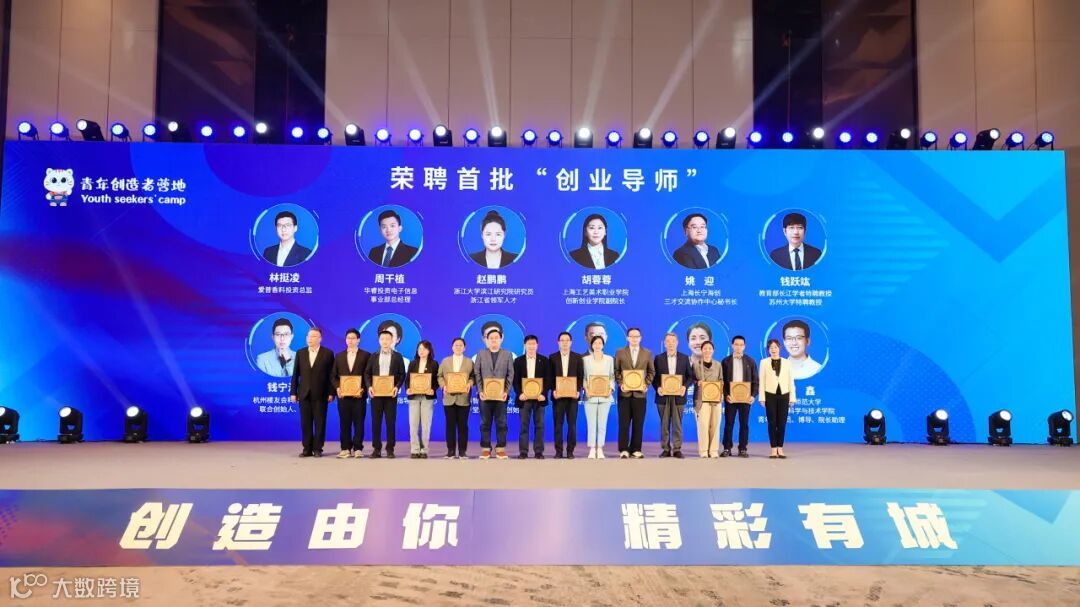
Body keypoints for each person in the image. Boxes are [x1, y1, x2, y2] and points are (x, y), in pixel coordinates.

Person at [289, 327, 334, 457]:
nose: (310, 338)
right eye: (308, 336)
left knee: (320, 422)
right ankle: (307, 448)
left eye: (313, 336)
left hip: (321, 394)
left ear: (320, 339)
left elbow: (331, 375)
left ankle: (318, 448)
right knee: (306, 423)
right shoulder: (301, 353)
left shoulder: (328, 353)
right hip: (304, 393)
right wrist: (293, 392)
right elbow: (295, 374)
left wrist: (331, 393)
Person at [363, 330, 406, 458]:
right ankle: (376, 449)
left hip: (391, 394)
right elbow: (367, 373)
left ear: (392, 340)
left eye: (387, 339)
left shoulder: (398, 356)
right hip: (376, 394)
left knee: (390, 422)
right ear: (379, 340)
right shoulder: (373, 356)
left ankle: (390, 449)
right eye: (382, 339)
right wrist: (369, 386)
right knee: (376, 422)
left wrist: (397, 387)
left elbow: (402, 374)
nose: (385, 341)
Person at [614, 327, 655, 459]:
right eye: (632, 336)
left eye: (637, 336)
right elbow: (616, 370)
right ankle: (623, 449)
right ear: (627, 338)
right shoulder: (620, 352)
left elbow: (651, 371)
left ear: (640, 338)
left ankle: (636, 449)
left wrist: (646, 384)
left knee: (638, 423)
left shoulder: (647, 353)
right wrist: (621, 384)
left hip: (640, 394)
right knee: (624, 423)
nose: (634, 339)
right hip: (624, 394)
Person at [473, 328, 514, 459]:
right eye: (491, 338)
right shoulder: (481, 354)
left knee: (502, 422)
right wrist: (480, 390)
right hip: (484, 395)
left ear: (501, 339)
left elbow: (510, 374)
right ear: (486, 340)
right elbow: (477, 373)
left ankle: (501, 448)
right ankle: (486, 448)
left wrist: (506, 391)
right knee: (485, 422)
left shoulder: (507, 354)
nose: (494, 340)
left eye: (496, 337)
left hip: (501, 396)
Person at [330, 328, 370, 459]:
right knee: (344, 422)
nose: (350, 340)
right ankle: (345, 448)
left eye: (353, 338)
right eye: (348, 338)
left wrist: (363, 388)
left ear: (358, 340)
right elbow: (333, 376)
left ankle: (358, 448)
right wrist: (338, 388)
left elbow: (368, 375)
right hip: (343, 396)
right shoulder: (339, 356)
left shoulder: (366, 355)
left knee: (359, 422)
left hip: (359, 396)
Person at [652, 332, 692, 458]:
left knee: (677, 423)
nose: (670, 344)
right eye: (668, 341)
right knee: (664, 424)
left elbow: (690, 376)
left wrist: (684, 387)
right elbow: (653, 377)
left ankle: (677, 449)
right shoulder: (658, 358)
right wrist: (658, 387)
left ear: (677, 343)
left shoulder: (684, 358)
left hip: (679, 396)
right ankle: (665, 448)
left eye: (673, 341)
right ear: (664, 343)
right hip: (663, 396)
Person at [513, 335, 551, 459]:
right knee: (524, 426)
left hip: (539, 399)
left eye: (533, 344)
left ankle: (538, 451)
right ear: (525, 345)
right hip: (524, 399)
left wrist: (543, 394)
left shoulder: (544, 360)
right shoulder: (518, 361)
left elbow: (548, 379)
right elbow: (515, 380)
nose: (531, 346)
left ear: (537, 345)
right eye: (529, 344)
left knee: (539, 426)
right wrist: (520, 393)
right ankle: (523, 451)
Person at [720, 335, 758, 458]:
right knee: (728, 423)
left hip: (745, 398)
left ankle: (742, 448)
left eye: (741, 345)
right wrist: (726, 395)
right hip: (730, 398)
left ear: (744, 346)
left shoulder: (750, 361)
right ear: (732, 345)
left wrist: (753, 395)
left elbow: (755, 381)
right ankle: (727, 448)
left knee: (744, 424)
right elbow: (721, 381)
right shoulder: (725, 362)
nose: (738, 347)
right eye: (736, 344)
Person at [759, 338, 796, 459]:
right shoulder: (764, 362)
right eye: (771, 348)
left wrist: (792, 398)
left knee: (782, 423)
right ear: (768, 350)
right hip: (770, 395)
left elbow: (791, 381)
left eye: (775, 347)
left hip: (784, 394)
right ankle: (773, 448)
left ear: (779, 348)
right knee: (772, 422)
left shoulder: (787, 362)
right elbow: (762, 381)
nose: (773, 350)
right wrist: (762, 397)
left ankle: (780, 447)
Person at [548, 331, 584, 459]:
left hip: (572, 397)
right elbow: (550, 377)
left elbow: (580, 376)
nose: (564, 343)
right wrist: (553, 390)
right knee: (558, 424)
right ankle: (558, 451)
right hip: (558, 397)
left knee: (572, 425)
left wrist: (578, 390)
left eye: (567, 340)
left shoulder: (577, 357)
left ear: (571, 342)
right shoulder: (552, 357)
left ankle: (570, 451)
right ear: (558, 342)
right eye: (562, 340)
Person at [438, 337, 474, 459]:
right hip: (449, 398)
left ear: (464, 348)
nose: (458, 347)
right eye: (456, 345)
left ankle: (463, 451)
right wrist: (443, 386)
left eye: (460, 345)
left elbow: (473, 376)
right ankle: (451, 451)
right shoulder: (445, 361)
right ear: (452, 347)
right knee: (450, 426)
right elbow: (439, 376)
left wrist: (470, 383)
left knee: (463, 426)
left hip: (464, 398)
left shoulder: (469, 362)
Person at [582, 335, 615, 459]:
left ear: (603, 345)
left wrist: (610, 389)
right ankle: (592, 448)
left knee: (602, 423)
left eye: (600, 343)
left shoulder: (609, 359)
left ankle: (600, 448)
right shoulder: (585, 360)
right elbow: (584, 377)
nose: (597, 345)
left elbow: (612, 376)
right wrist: (586, 389)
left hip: (605, 397)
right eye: (595, 343)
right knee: (591, 424)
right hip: (590, 396)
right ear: (591, 345)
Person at [406, 341, 437, 459]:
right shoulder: (412, 363)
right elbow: (407, 379)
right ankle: (414, 449)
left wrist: (433, 389)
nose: (421, 351)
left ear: (429, 350)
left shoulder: (434, 364)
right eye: (419, 349)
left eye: (424, 349)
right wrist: (408, 389)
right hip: (414, 397)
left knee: (426, 425)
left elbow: (436, 380)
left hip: (427, 397)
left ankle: (424, 449)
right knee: (413, 425)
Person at [692, 340, 723, 458]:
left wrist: (720, 393)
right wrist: (697, 382)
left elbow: (721, 380)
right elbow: (691, 379)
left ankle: (713, 450)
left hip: (715, 399)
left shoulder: (718, 365)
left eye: (710, 348)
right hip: (701, 399)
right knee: (703, 425)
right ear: (701, 350)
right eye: (705, 348)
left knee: (715, 425)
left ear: (713, 350)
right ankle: (703, 450)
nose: (707, 350)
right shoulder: (696, 365)